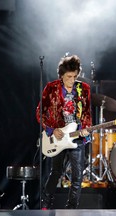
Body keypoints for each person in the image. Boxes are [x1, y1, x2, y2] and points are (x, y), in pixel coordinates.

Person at [36, 55, 92, 209]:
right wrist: (51, 129)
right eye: (69, 77)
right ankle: (45, 204)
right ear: (61, 75)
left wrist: (86, 129)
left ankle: (71, 208)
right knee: (56, 172)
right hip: (58, 136)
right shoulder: (51, 88)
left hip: (77, 137)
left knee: (77, 175)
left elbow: (86, 113)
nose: (72, 80)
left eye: (75, 76)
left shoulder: (84, 89)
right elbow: (39, 112)